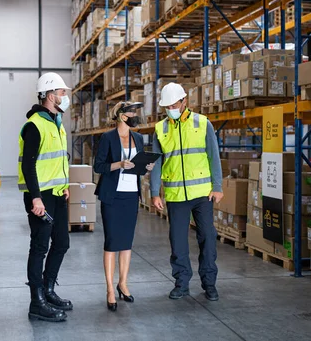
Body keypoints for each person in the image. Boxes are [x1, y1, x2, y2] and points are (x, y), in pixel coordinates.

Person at [150, 82, 223, 302]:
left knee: (207, 238)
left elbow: (213, 156)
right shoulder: (160, 129)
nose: (170, 108)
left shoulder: (202, 123)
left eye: (173, 104)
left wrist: (217, 186)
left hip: (202, 194)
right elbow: (156, 163)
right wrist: (155, 192)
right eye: (167, 106)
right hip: (175, 196)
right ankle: (181, 283)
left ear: (184, 102)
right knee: (178, 241)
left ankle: (209, 283)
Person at [18, 72, 72, 322]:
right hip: (39, 197)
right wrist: (36, 199)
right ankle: (36, 302)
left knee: (61, 243)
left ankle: (48, 290)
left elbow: (58, 160)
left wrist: (65, 184)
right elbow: (29, 166)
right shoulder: (35, 125)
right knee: (39, 246)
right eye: (62, 93)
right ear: (51, 95)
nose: (66, 97)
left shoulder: (56, 123)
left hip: (58, 193)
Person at [93, 101, 154, 312]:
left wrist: (146, 167)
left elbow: (139, 167)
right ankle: (110, 288)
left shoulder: (138, 138)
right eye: (131, 112)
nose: (135, 115)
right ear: (121, 115)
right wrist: (118, 164)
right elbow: (98, 166)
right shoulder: (108, 137)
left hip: (130, 195)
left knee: (126, 243)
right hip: (112, 195)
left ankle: (123, 284)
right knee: (112, 242)